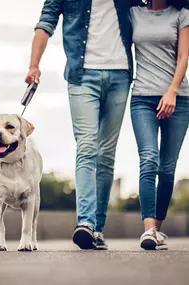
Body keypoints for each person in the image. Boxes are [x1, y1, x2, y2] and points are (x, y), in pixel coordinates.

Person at [25, 0, 134, 250]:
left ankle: (97, 228)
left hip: (121, 74)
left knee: (106, 155)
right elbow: (45, 22)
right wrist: (34, 65)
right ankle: (85, 222)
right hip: (82, 76)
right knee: (87, 146)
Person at [130, 0, 189, 250]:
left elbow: (184, 55)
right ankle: (148, 230)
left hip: (179, 99)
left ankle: (158, 230)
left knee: (167, 169)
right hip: (142, 98)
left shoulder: (182, 14)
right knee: (148, 159)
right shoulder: (133, 12)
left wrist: (172, 92)